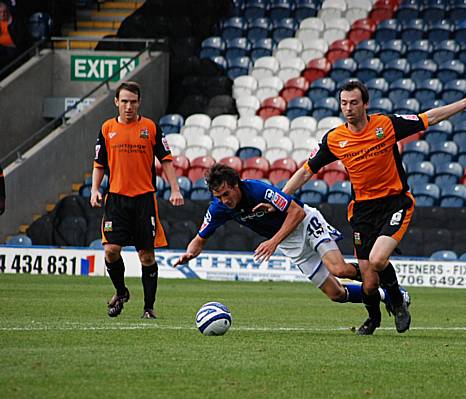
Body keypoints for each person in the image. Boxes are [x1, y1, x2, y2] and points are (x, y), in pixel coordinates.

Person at [280, 79, 466, 335]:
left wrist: (465, 103)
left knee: (378, 260)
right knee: (368, 283)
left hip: (394, 203)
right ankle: (373, 319)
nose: (348, 108)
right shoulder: (335, 139)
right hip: (363, 211)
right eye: (344, 103)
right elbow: (305, 172)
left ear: (365, 104)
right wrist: (278, 199)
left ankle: (398, 302)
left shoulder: (386, 124)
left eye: (354, 102)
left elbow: (428, 118)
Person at [173, 164, 410, 311]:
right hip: (289, 242)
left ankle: (393, 290)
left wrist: (273, 241)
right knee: (336, 294)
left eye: (226, 193)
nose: (224, 200)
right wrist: (189, 253)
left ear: (236, 185)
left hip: (305, 223)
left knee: (339, 269)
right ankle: (383, 295)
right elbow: (200, 238)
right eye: (219, 196)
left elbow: (296, 211)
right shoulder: (219, 208)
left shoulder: (257, 189)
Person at [90, 81, 184, 319]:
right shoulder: (107, 128)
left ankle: (148, 308)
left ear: (139, 102)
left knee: (147, 256)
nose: (128, 106)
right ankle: (121, 292)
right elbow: (99, 163)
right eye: (124, 102)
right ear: (116, 103)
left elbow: (166, 159)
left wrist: (175, 189)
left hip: (144, 200)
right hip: (116, 200)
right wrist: (94, 189)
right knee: (111, 250)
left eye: (132, 102)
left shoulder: (150, 128)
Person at [0, 1, 30, 70]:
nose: (2, 14)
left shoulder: (16, 22)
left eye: (4, 11)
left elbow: (21, 42)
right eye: (0, 12)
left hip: (14, 52)